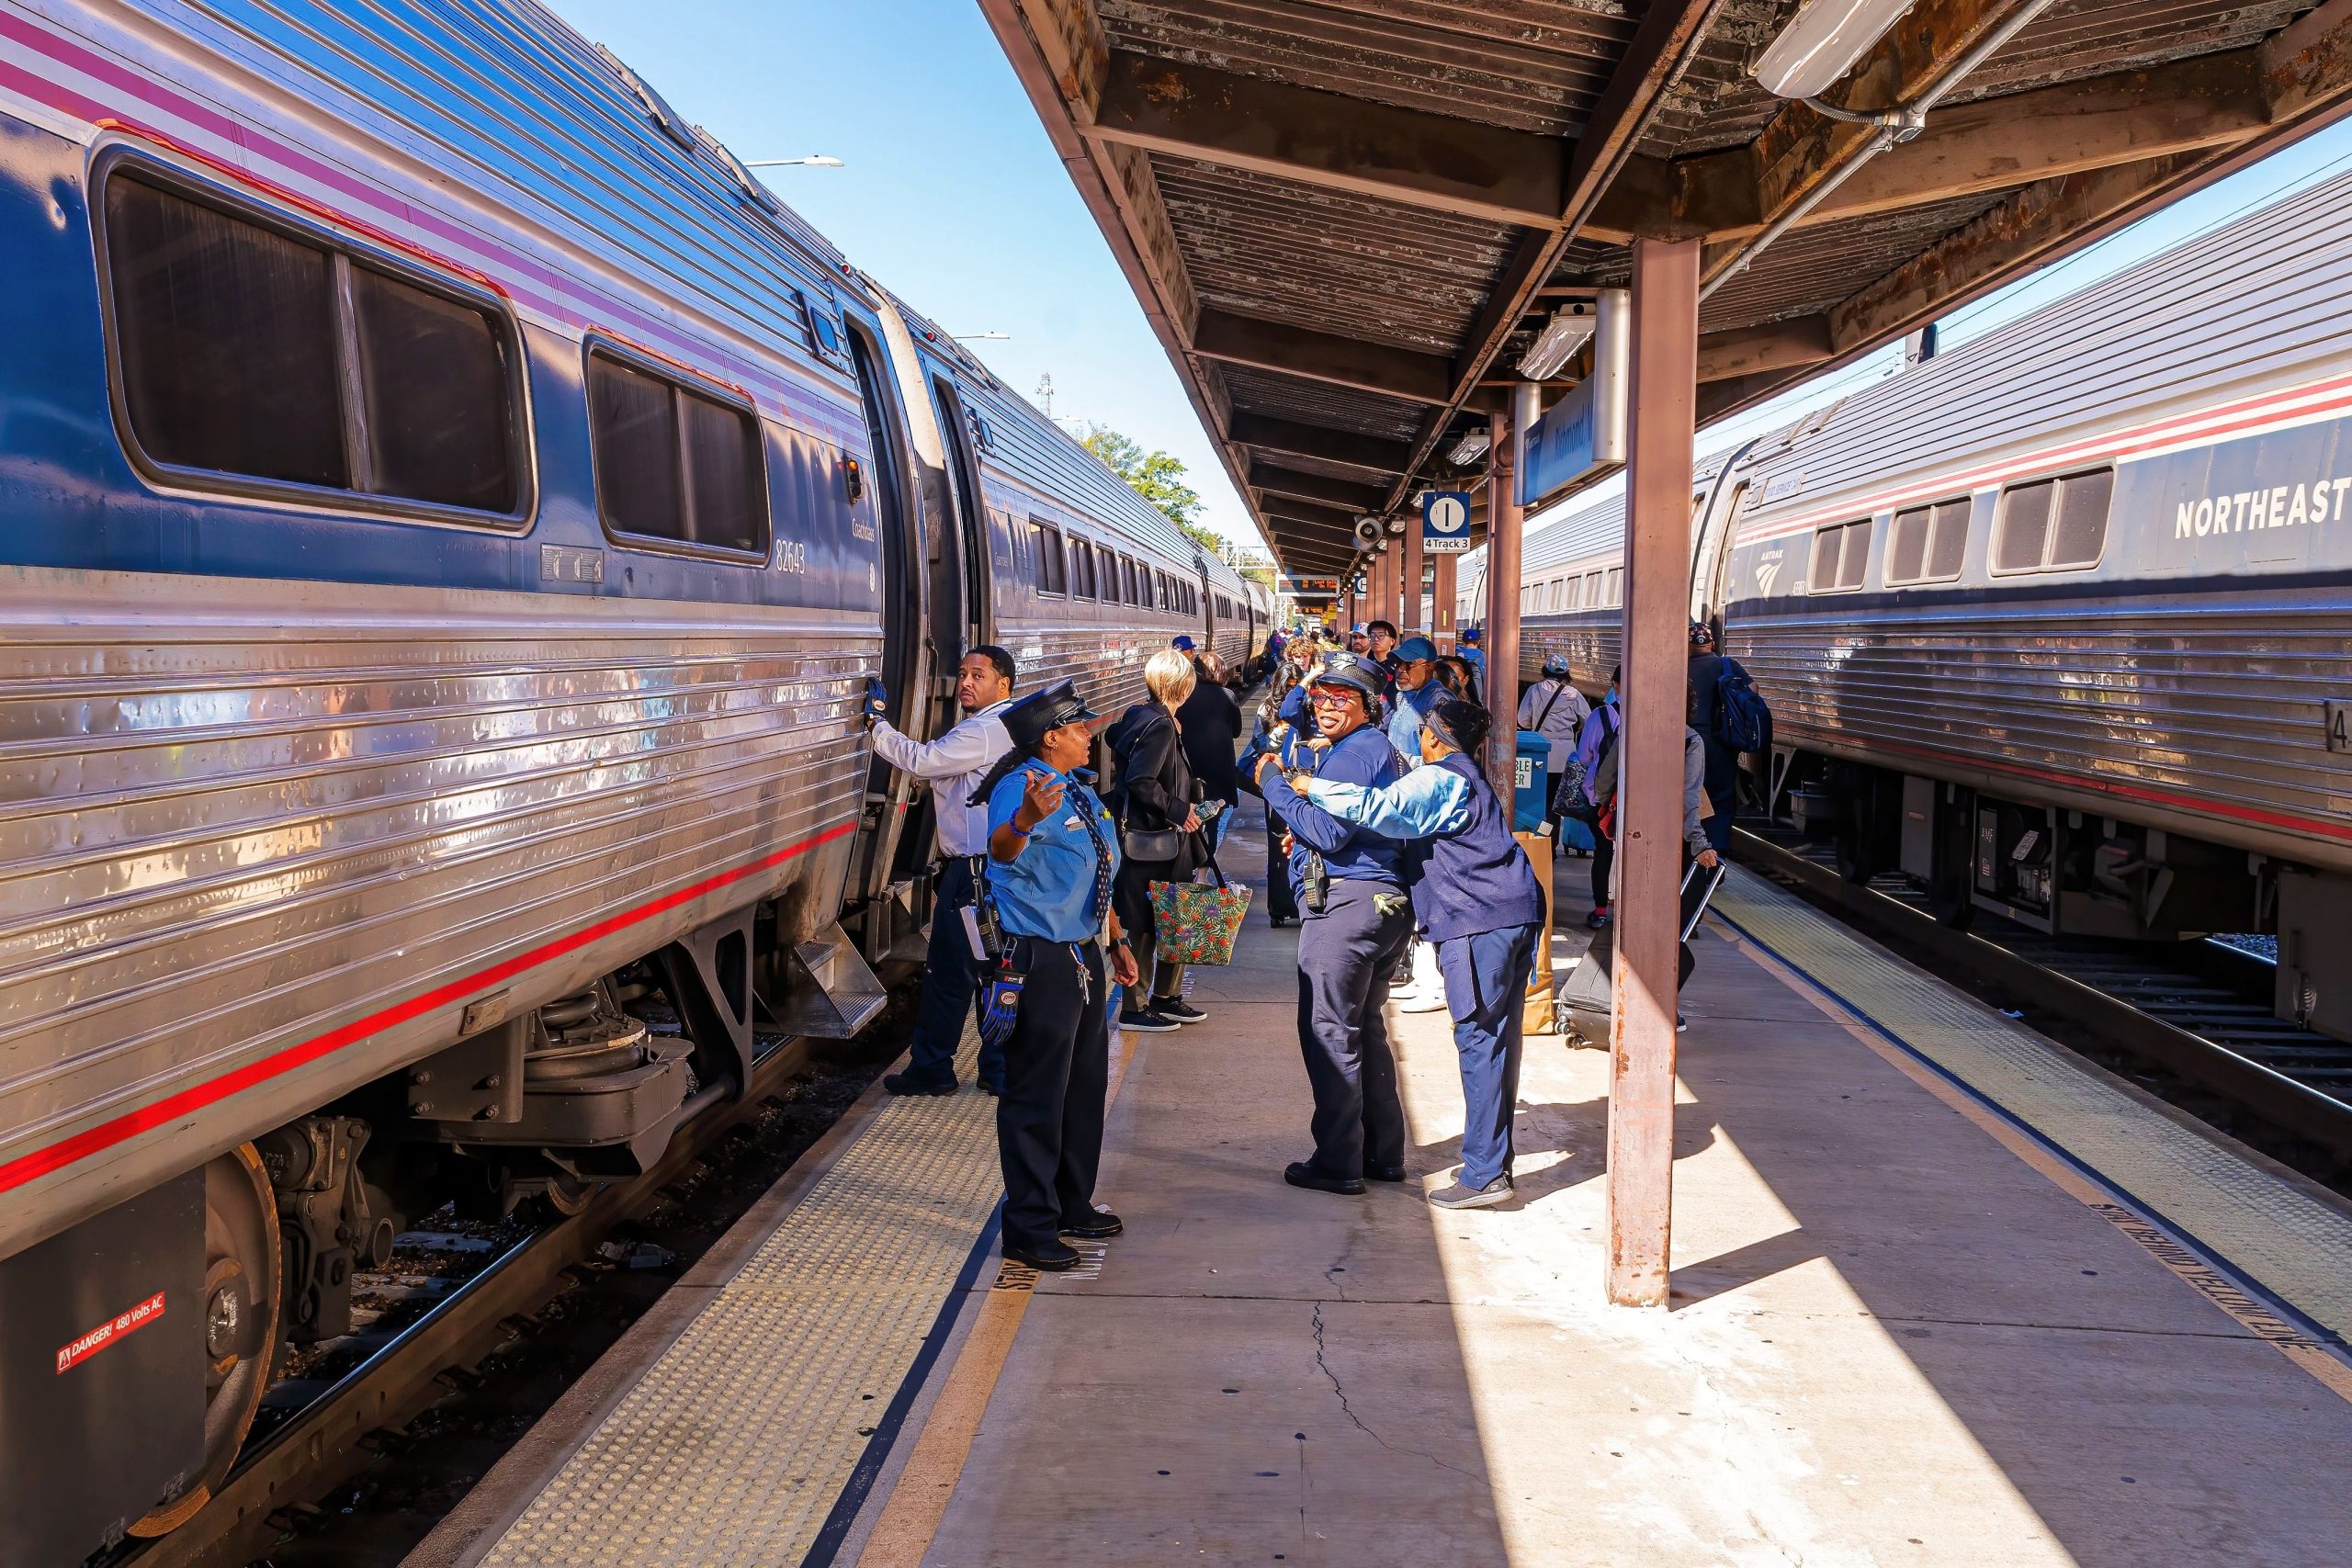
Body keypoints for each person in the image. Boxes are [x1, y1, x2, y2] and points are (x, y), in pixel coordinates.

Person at [1292, 695, 1544, 1209]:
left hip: (1479, 922)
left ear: (1434, 734)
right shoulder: (1467, 777)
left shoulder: (1441, 777)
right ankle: (1492, 1164)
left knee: (1480, 1044)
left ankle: (1483, 1175)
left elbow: (1375, 809)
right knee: (1495, 1043)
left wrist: (1301, 785)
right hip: (1508, 915)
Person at [972, 681, 1138, 1271]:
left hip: (1082, 953)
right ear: (1051, 738)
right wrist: (1023, 820)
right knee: (1036, 1094)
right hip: (1036, 958)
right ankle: (1028, 1227)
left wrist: (1115, 936)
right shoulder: (1023, 788)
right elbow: (1001, 852)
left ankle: (1073, 1202)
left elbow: (1098, 867)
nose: (1089, 737)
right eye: (1079, 729)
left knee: (1085, 1085)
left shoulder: (1077, 788)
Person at [1250, 654, 1413, 1196]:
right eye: (1322, 696)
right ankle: (1381, 1153)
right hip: (1379, 905)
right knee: (1363, 1027)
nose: (1328, 705)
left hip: (1346, 908)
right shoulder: (1370, 748)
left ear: (1368, 707)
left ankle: (1338, 1162)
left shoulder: (1354, 753)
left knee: (1330, 1034)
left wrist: (1274, 783)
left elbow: (1329, 831)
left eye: (1344, 697)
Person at [865, 647, 1018, 1096]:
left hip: (971, 873)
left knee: (951, 971)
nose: (966, 683)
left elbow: (924, 760)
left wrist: (878, 725)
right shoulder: (1002, 725)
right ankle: (998, 1067)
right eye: (963, 674)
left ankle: (933, 1066)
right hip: (988, 869)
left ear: (1002, 684)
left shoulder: (985, 731)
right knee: (994, 968)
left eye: (978, 675)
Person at [1105, 649, 1205, 1032]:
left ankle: (1166, 996)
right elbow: (1141, 780)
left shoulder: (1141, 716)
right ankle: (1136, 1006)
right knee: (1150, 924)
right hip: (1156, 841)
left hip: (1161, 840)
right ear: (1183, 685)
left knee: (1171, 917)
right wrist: (1179, 809)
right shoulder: (1161, 725)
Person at [1685, 622, 1755, 854]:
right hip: (1721, 742)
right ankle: (1719, 850)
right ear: (1712, 643)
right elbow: (1753, 689)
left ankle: (1695, 849)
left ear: (1688, 644)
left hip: (1688, 742)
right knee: (1722, 796)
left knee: (1692, 795)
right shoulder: (1727, 665)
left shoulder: (1680, 667)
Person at [1566, 666, 1623, 929]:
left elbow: (1585, 756)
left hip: (1602, 798)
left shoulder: (1600, 716)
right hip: (1640, 798)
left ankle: (1600, 910)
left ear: (1615, 685)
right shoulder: (1653, 715)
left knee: (1603, 852)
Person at [1178, 648, 1243, 848]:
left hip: (1189, 767)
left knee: (1187, 818)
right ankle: (1204, 872)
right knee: (1212, 820)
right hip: (1218, 771)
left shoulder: (1183, 695)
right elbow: (1237, 732)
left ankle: (1186, 864)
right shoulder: (1228, 696)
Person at [1516, 653, 1590, 815]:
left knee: (1537, 796)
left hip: (1540, 749)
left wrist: (1537, 726)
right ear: (1566, 674)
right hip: (1565, 754)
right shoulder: (1573, 694)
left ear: (1544, 670)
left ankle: (1539, 832)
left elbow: (1522, 720)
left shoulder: (1534, 690)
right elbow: (1588, 719)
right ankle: (1554, 832)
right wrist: (1577, 728)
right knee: (1558, 798)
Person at [1385, 636, 1442, 763]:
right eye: (1397, 663)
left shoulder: (1439, 702)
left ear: (1430, 666)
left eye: (1409, 664)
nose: (1400, 669)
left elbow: (1441, 762)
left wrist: (1397, 762)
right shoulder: (1404, 695)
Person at [1459, 626, 1487, 703]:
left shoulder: (1457, 652)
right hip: (1477, 690)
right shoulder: (1483, 656)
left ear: (1463, 642)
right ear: (1478, 642)